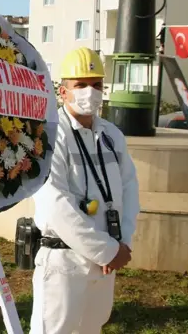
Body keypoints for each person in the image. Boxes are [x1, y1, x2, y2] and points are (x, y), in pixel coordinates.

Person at [29, 47, 140, 334]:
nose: (89, 92)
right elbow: (56, 203)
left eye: (96, 85)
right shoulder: (51, 135)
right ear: (63, 92)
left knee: (92, 328)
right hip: (64, 261)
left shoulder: (112, 136)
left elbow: (129, 189)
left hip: (106, 261)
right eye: (80, 85)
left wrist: (120, 243)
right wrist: (104, 251)